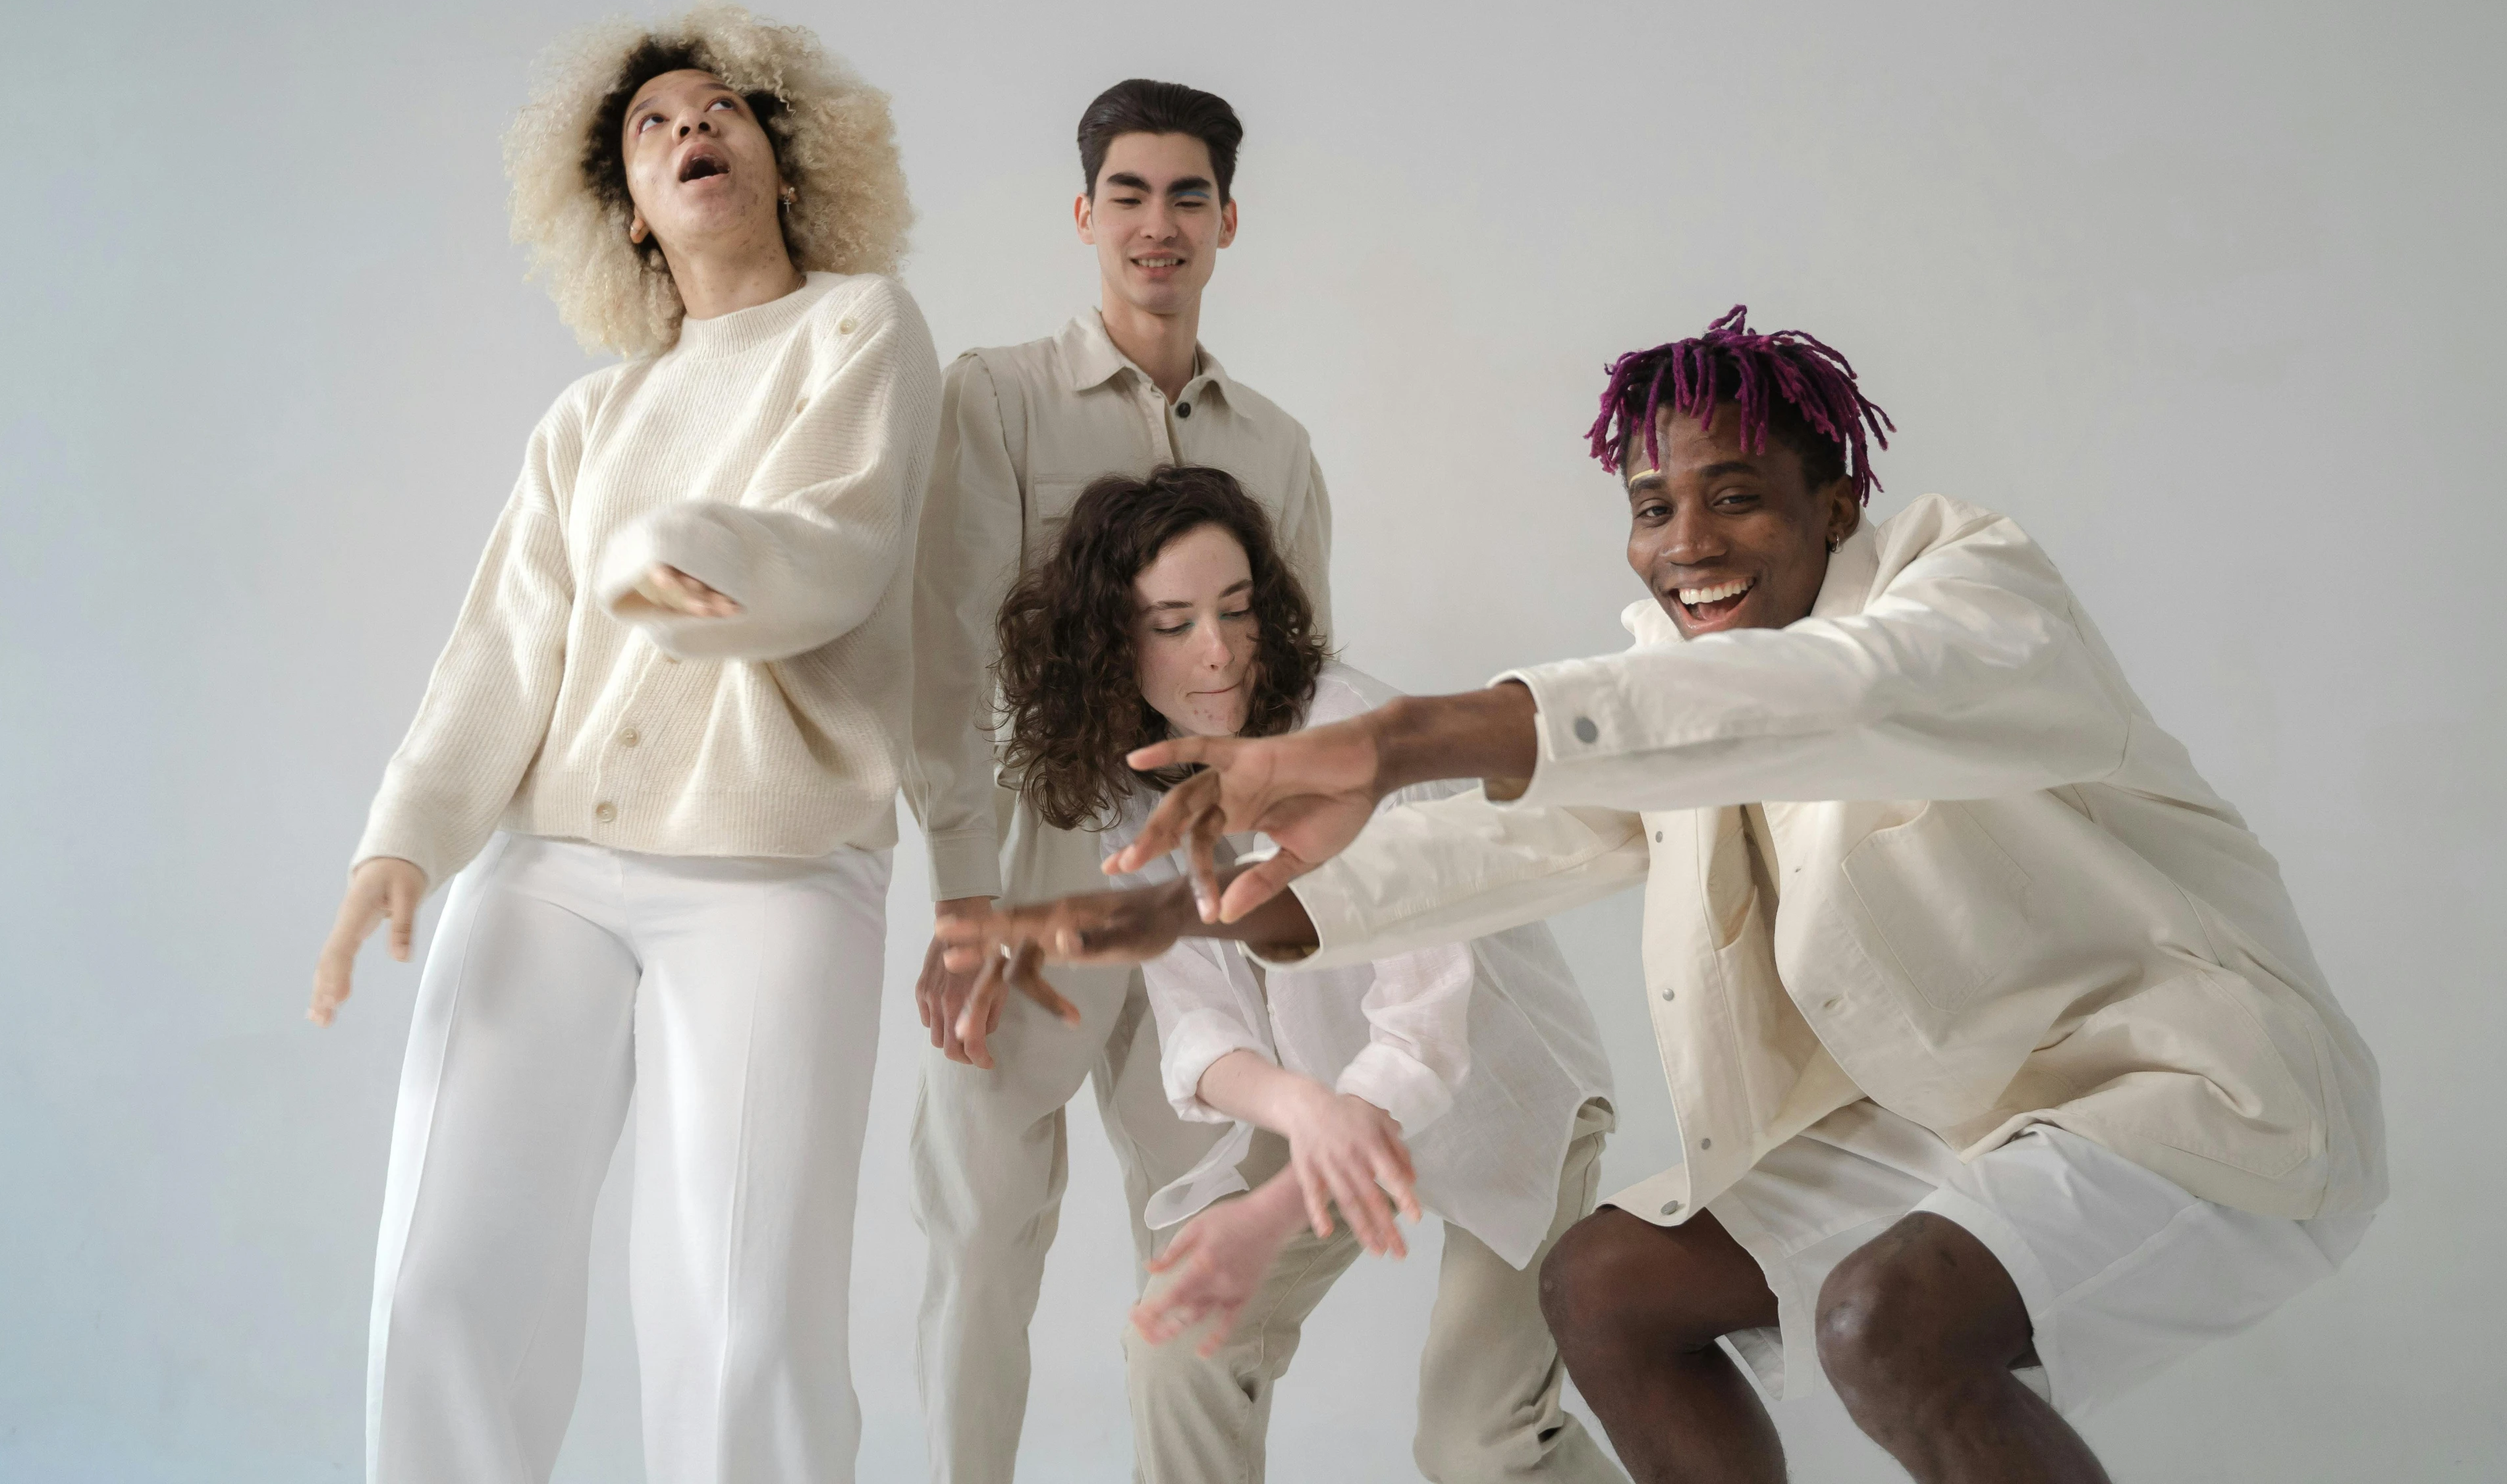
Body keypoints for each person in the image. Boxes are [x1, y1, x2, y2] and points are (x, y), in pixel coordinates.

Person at [941, 308, 2385, 1484]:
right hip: (1963, 1115)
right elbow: (1492, 853)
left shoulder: (1969, 593)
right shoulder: (1673, 685)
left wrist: (1394, 743)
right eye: (1652, 506)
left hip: (2189, 1093)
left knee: (1883, 1328)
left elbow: (1836, 696)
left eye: (1735, 496)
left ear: (1837, 504)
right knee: (1609, 1286)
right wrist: (1129, 920)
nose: (1685, 539)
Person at [307, 1, 941, 1484]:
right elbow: (504, 653)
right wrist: (400, 843)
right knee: (442, 1277)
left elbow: (833, 545)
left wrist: (670, 552)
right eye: (651, 129)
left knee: (739, 1313)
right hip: (543, 871)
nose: (686, 134)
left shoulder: (860, 328)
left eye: (717, 111)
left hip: (772, 874)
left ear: (787, 163)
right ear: (631, 220)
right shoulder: (585, 419)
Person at [962, 465, 1622, 1483]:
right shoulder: (1136, 778)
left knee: (1481, 1443)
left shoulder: (1341, 735)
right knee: (1177, 1342)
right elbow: (1200, 1023)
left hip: (1501, 1092)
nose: (1218, 650)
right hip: (1326, 1087)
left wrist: (1307, 1153)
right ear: (1111, 641)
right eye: (1173, 622)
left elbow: (1426, 1023)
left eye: (1235, 610)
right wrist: (1303, 1111)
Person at [901, 81, 1331, 1483]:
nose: (1158, 226)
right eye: (1129, 196)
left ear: (1225, 222)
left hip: (1203, 892)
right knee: (979, 1243)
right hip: (1033, 872)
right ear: (1085, 216)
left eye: (1187, 197)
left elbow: (1296, 697)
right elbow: (945, 653)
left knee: (1204, 1239)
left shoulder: (1272, 448)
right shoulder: (1000, 396)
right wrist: (965, 894)